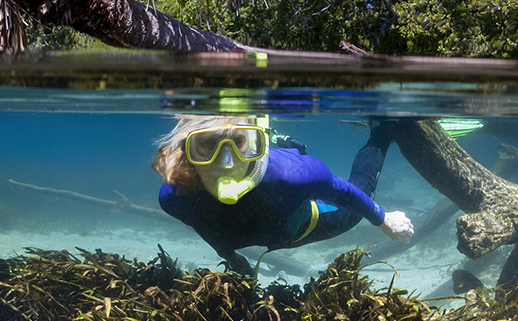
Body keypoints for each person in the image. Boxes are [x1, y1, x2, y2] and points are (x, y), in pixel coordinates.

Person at [152, 115, 413, 274]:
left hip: (308, 224)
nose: (227, 163)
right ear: (187, 150)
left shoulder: (293, 174)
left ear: (253, 142)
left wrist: (382, 219)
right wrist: (229, 255)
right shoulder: (175, 197)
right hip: (277, 228)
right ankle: (283, 141)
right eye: (208, 145)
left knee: (354, 209)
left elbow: (342, 190)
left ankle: (381, 131)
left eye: (239, 142)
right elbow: (202, 224)